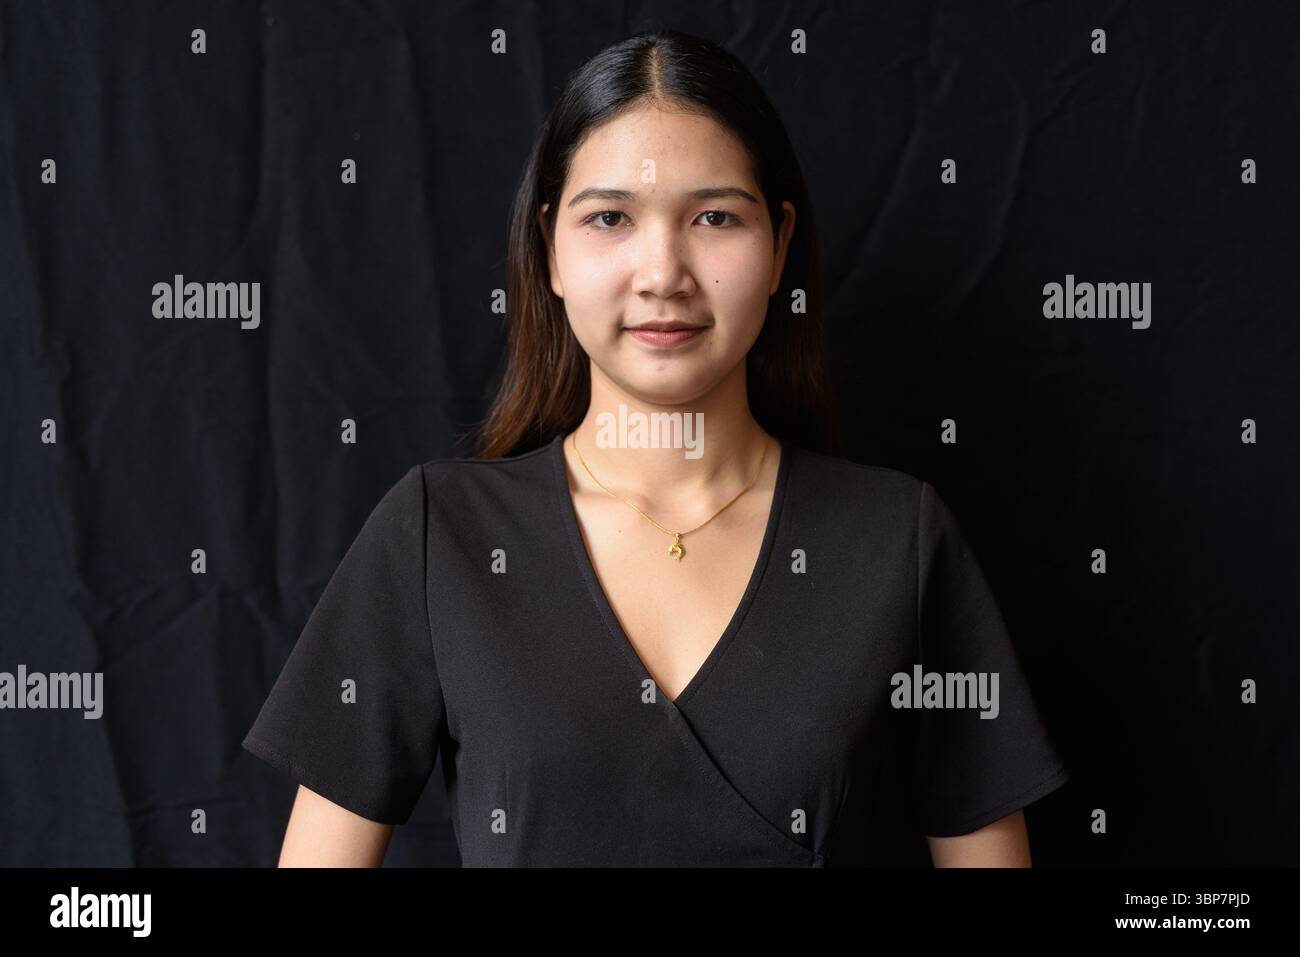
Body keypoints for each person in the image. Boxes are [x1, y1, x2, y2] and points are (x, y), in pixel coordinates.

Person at [242, 28, 1069, 867]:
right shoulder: (440, 534)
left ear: (779, 243)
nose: (663, 271)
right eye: (609, 218)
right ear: (550, 250)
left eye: (714, 217)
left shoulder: (900, 538)